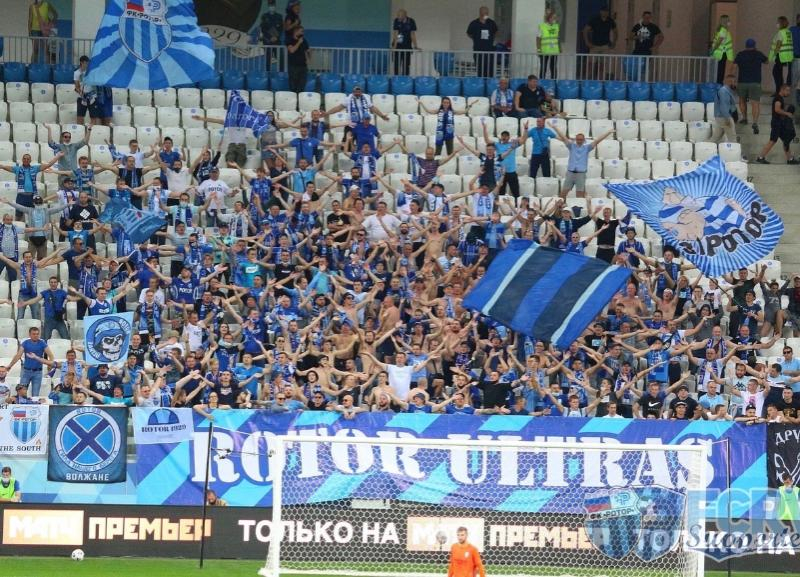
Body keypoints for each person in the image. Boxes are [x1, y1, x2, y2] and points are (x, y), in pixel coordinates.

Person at [551, 124, 614, 199]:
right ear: (575, 139)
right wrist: (555, 128)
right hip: (570, 173)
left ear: (584, 140)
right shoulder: (571, 146)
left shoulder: (587, 148)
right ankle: (562, 206)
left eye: (581, 140)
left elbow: (597, 141)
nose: (579, 141)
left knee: (580, 196)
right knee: (563, 193)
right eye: (578, 139)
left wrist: (608, 132)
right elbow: (563, 137)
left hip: (581, 174)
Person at [756, 84, 799, 164]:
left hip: (780, 124)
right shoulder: (778, 98)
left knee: (786, 141)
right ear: (782, 90)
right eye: (787, 90)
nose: (788, 92)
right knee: (772, 141)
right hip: (777, 124)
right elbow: (777, 110)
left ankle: (790, 159)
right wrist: (787, 113)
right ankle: (760, 157)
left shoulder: (780, 98)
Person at [733, 38, 768, 133]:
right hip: (755, 83)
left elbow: (734, 66)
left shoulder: (740, 54)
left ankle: (744, 118)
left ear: (746, 46)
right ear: (754, 45)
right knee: (755, 103)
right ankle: (755, 122)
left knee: (742, 101)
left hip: (742, 82)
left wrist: (732, 78)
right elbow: (767, 61)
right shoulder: (758, 54)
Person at [583, 6, 617, 80]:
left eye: (606, 11)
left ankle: (600, 81)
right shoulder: (594, 19)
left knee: (602, 65)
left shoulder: (610, 21)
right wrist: (587, 42)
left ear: (608, 12)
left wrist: (614, 42)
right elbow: (585, 30)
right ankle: (587, 80)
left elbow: (615, 32)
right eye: (603, 11)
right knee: (590, 64)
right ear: (600, 12)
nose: (605, 13)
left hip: (605, 46)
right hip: (594, 46)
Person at [466, 6, 498, 78]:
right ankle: (481, 81)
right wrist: (474, 38)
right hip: (478, 50)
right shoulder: (474, 23)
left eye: (487, 13)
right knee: (480, 69)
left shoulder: (491, 23)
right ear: (480, 13)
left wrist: (492, 39)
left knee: (490, 69)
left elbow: (496, 32)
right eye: (484, 13)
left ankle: (489, 81)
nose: (486, 15)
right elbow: (468, 33)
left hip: (489, 50)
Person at [769, 16, 794, 93]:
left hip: (781, 56)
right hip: (788, 56)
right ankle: (780, 90)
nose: (777, 23)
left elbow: (778, 44)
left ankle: (779, 91)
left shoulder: (780, 32)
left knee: (776, 73)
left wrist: (774, 55)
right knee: (779, 74)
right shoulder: (788, 32)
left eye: (778, 22)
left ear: (781, 23)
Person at [711, 75, 738, 143]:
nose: (734, 83)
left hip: (721, 117)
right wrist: (728, 118)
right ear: (727, 82)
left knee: (714, 139)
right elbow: (723, 106)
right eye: (732, 82)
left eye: (735, 82)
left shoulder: (726, 91)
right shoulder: (724, 92)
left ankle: (702, 146)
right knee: (732, 139)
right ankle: (735, 150)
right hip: (724, 117)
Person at [29, 0, 57, 64]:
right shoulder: (32, 6)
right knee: (35, 50)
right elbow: (30, 20)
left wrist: (51, 23)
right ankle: (33, 66)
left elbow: (55, 14)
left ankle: (47, 66)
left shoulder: (47, 4)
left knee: (46, 50)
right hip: (35, 30)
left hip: (45, 30)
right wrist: (29, 32)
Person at [392, 9, 418, 76]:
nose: (398, 17)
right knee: (397, 64)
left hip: (407, 45)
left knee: (406, 64)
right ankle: (396, 77)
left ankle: (405, 78)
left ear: (405, 15)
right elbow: (396, 33)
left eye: (400, 15)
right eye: (397, 15)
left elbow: (412, 34)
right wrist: (394, 47)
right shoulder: (396, 20)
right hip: (398, 45)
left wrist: (415, 46)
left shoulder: (411, 21)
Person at [260, 0, 284, 72]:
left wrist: (276, 37)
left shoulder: (279, 16)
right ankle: (268, 73)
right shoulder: (264, 16)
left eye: (273, 5)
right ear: (268, 6)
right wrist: (270, 37)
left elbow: (281, 29)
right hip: (268, 41)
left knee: (280, 58)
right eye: (270, 5)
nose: (272, 7)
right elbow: (263, 29)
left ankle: (281, 73)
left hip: (277, 41)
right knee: (268, 58)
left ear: (275, 6)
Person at [537, 5, 560, 79]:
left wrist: (560, 48)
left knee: (553, 67)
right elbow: (538, 38)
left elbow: (557, 38)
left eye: (555, 18)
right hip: (544, 50)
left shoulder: (556, 26)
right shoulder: (542, 26)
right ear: (549, 18)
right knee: (543, 67)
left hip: (554, 50)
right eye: (553, 18)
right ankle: (542, 81)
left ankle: (554, 81)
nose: (555, 19)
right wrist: (538, 49)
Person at [710, 15, 734, 85]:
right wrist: (713, 50)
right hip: (721, 54)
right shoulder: (723, 31)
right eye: (728, 20)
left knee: (718, 70)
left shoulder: (721, 30)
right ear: (725, 21)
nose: (729, 22)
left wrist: (713, 50)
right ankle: (719, 85)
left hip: (718, 53)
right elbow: (719, 42)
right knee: (720, 71)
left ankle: (718, 84)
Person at [287, 26, 311, 93]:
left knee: (302, 84)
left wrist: (309, 59)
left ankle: (300, 97)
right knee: (293, 85)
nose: (302, 33)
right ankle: (293, 97)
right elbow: (292, 50)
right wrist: (299, 42)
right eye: (301, 31)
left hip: (303, 66)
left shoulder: (304, 40)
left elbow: (308, 50)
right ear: (296, 31)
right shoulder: (290, 40)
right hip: (293, 66)